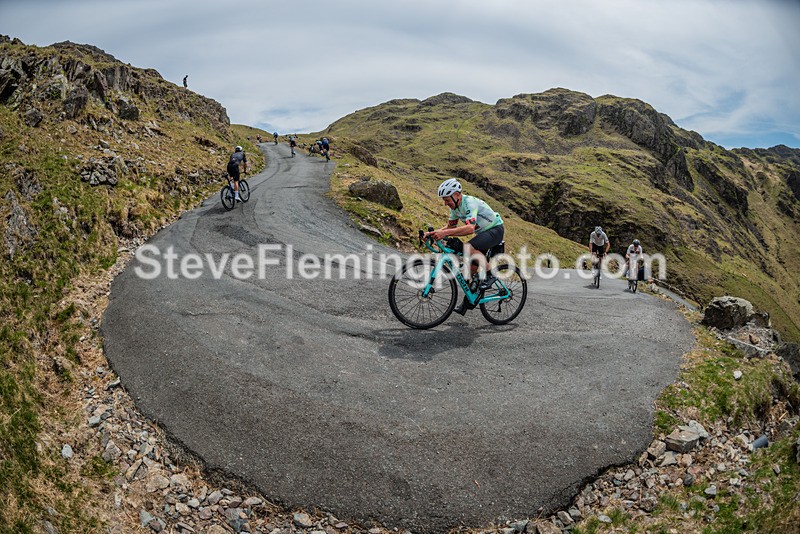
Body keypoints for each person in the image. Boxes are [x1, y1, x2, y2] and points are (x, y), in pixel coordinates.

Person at [424, 178, 504, 315]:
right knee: (468, 272)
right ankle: (469, 302)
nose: (445, 203)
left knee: (468, 248)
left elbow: (470, 229)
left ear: (457, 195)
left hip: (495, 230)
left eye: (447, 200)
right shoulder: (455, 208)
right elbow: (450, 226)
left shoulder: (469, 203)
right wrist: (433, 233)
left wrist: (444, 233)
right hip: (484, 234)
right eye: (444, 200)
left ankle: (491, 274)